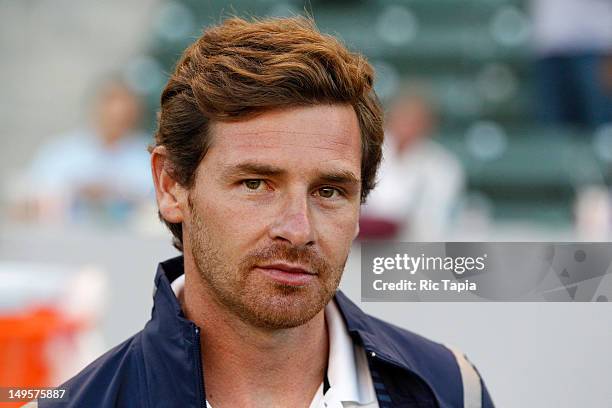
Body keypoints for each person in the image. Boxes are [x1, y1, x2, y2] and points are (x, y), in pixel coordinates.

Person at [38, 17, 494, 408]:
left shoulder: (451, 390)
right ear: (170, 185)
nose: (298, 230)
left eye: (330, 191)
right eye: (256, 184)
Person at [23, 79, 152, 223]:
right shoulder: (60, 151)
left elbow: (155, 198)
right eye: (109, 108)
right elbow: (34, 196)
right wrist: (77, 191)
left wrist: (114, 192)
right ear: (95, 108)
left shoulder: (147, 154)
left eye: (123, 113)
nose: (115, 116)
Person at [361, 85, 465, 241]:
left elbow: (436, 219)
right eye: (403, 117)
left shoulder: (443, 166)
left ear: (428, 125)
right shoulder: (364, 152)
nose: (408, 127)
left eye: (416, 121)